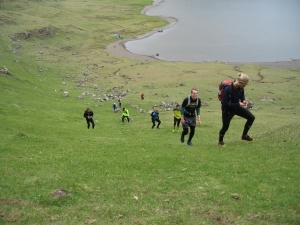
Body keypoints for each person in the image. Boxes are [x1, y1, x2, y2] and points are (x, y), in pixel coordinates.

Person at [218, 73, 255, 146]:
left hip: (236, 108)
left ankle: (244, 135)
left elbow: (242, 95)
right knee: (225, 127)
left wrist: (243, 100)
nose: (244, 87)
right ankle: (220, 141)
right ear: (240, 82)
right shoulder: (228, 89)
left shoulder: (240, 88)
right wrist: (238, 104)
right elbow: (225, 104)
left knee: (251, 117)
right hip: (227, 111)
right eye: (244, 85)